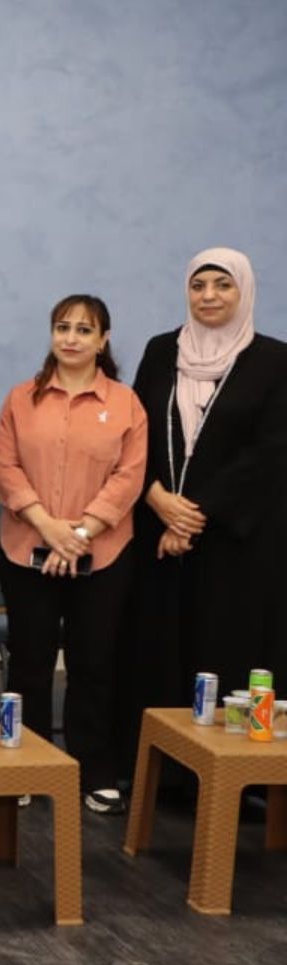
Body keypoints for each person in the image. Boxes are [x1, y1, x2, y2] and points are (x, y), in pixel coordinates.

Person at [124, 249, 287, 772]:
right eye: (199, 286)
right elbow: (135, 431)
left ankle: (238, 777)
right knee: (159, 651)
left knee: (229, 653)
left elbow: (270, 451)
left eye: (222, 285)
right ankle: (160, 775)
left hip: (237, 543)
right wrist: (156, 497)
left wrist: (194, 516)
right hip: (159, 534)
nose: (209, 296)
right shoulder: (160, 351)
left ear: (244, 291)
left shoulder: (275, 361)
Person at [0, 295, 146, 812]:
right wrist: (48, 527)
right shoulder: (21, 398)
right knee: (30, 664)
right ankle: (26, 766)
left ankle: (93, 771)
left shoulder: (125, 403)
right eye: (63, 327)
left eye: (84, 329)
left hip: (102, 555)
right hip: (26, 549)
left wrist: (77, 534)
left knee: (93, 663)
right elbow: (6, 469)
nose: (72, 338)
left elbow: (129, 477)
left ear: (103, 340)